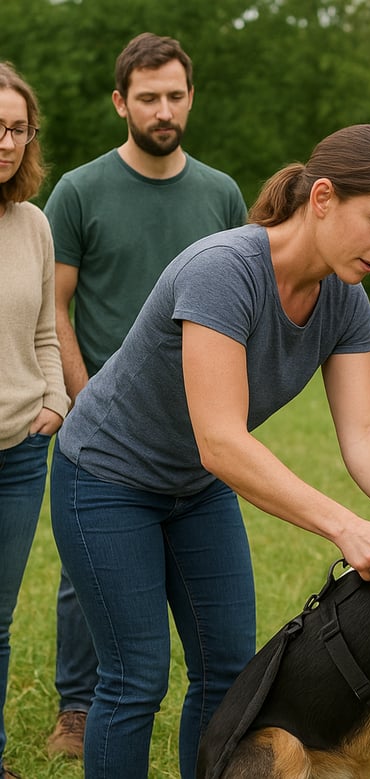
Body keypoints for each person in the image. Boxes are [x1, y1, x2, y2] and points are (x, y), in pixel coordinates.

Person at [49, 122, 370, 779]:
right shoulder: (222, 271)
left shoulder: (345, 301)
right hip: (105, 478)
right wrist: (343, 525)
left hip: (193, 489)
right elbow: (221, 439)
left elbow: (364, 431)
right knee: (136, 675)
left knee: (228, 673)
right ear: (324, 199)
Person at [44, 32, 247, 758]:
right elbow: (58, 304)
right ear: (119, 101)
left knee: (224, 664)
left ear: (190, 98)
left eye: (175, 96)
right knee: (104, 613)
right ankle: (75, 701)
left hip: (197, 444)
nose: (164, 110)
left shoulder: (221, 192)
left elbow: (240, 306)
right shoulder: (79, 189)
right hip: (105, 434)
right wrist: (83, 393)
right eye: (148, 97)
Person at [0, 62, 69, 779]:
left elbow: (47, 330)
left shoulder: (34, 224)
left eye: (17, 128)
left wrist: (54, 402)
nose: (7, 141)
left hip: (20, 449)